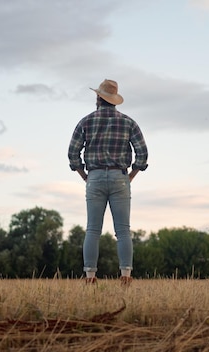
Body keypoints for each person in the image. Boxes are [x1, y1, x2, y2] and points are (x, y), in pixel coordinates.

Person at [68, 79, 148, 286]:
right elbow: (143, 154)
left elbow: (72, 153)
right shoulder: (129, 122)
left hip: (94, 177)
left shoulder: (85, 121)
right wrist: (130, 177)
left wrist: (84, 176)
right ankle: (126, 275)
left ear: (98, 98)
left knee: (93, 229)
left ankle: (90, 276)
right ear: (113, 100)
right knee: (122, 230)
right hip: (120, 178)